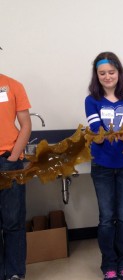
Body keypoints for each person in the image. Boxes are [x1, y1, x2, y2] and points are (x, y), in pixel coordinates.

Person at [85, 52, 123, 280]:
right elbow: (97, 132)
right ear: (96, 75)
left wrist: (121, 135)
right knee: (106, 217)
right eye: (102, 73)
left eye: (111, 72)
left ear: (119, 73)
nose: (107, 76)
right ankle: (109, 264)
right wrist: (113, 134)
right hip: (102, 165)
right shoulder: (91, 100)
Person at [0, 46, 32, 280]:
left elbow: (26, 125)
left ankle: (14, 274)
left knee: (13, 220)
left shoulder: (13, 85)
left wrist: (13, 157)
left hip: (8, 162)